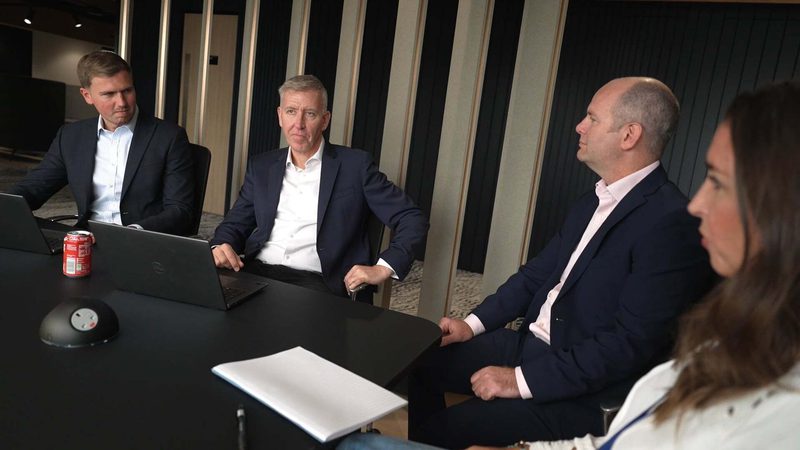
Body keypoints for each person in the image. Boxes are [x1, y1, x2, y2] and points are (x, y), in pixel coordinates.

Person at [407, 77, 715, 448]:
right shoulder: (593, 200)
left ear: (629, 135)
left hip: (582, 385)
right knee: (417, 363)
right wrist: (471, 325)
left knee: (452, 428)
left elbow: (629, 344)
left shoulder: (670, 222)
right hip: (531, 345)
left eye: (592, 118)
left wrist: (518, 381)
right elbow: (536, 274)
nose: (579, 126)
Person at [210, 75, 427, 301]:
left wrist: (384, 267)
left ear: (325, 120)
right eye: (291, 111)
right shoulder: (262, 166)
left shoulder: (355, 166)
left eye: (310, 114)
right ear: (280, 116)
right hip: (256, 272)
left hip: (319, 282)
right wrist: (220, 245)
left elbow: (411, 217)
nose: (299, 124)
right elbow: (235, 223)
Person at [8, 50, 194, 235]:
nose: (121, 102)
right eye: (109, 94)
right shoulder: (71, 136)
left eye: (127, 90)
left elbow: (179, 210)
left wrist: (132, 233)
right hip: (87, 240)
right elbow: (35, 187)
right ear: (87, 96)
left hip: (142, 241)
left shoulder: (169, 137)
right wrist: (6, 204)